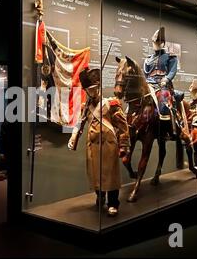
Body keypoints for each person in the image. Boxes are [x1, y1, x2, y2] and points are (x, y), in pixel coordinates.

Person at [68, 68, 130, 217]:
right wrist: (73, 136)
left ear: (99, 87)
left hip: (108, 145)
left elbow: (123, 126)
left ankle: (113, 203)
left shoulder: (110, 104)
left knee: (111, 175)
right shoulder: (86, 107)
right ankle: (100, 195)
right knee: (95, 174)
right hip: (92, 145)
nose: (92, 92)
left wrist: (123, 146)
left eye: (95, 88)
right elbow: (80, 123)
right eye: (89, 89)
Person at [143, 27, 179, 120]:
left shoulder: (170, 57)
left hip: (162, 83)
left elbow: (172, 70)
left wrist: (166, 79)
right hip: (149, 83)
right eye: (155, 42)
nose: (157, 44)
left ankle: (167, 119)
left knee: (164, 98)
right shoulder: (148, 59)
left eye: (159, 42)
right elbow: (146, 73)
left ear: (163, 43)